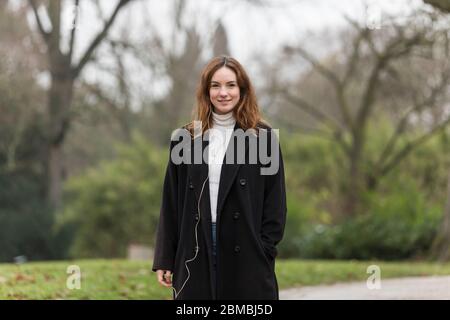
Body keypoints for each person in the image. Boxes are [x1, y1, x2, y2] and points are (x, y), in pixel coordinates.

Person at [152, 55, 287, 300]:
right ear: (206, 91)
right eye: (215, 85)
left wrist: (264, 249)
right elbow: (171, 202)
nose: (223, 93)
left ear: (242, 90)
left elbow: (275, 203)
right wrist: (165, 257)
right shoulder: (186, 137)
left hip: (246, 247)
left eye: (231, 85)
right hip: (196, 244)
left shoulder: (263, 138)